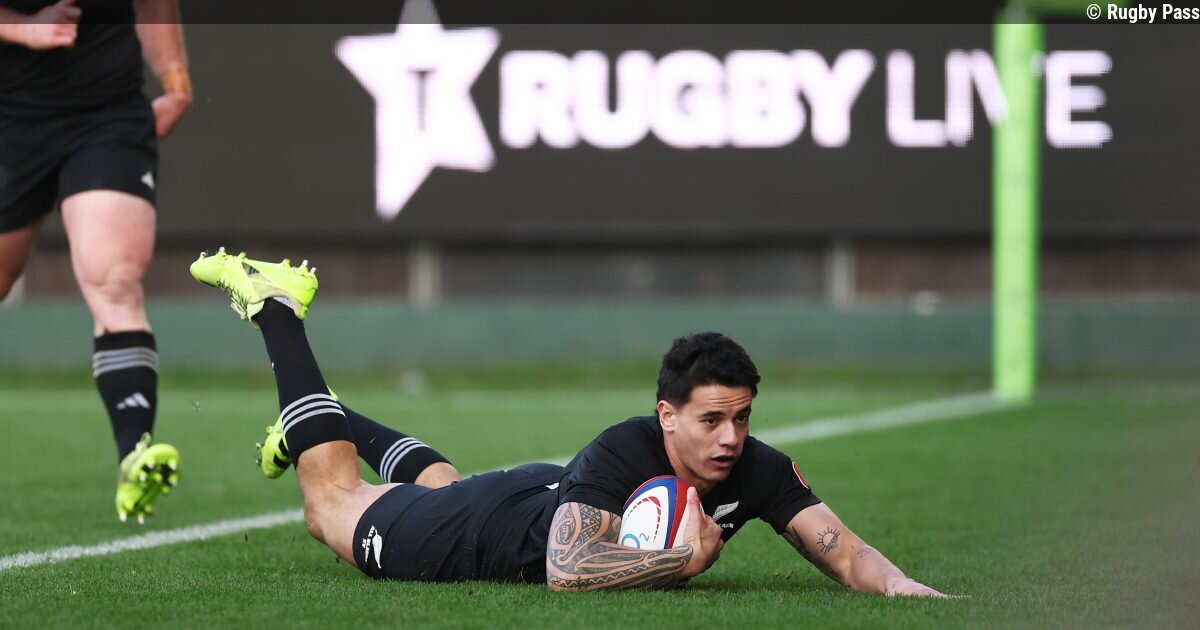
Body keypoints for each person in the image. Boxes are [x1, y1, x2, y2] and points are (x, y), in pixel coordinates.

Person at [189, 249, 952, 596]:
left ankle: (319, 415)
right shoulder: (625, 447)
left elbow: (845, 552)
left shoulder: (753, 465)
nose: (730, 437)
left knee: (442, 484)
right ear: (667, 416)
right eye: (713, 419)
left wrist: (905, 589)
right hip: (474, 539)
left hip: (529, 495)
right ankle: (278, 309)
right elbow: (566, 570)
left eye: (742, 418)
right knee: (332, 504)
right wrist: (680, 562)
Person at [0, 0, 190, 523]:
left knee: (115, 282)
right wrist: (21, 27)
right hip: (10, 116)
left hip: (107, 116)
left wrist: (175, 79)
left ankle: (135, 456)